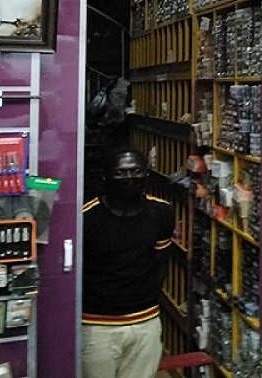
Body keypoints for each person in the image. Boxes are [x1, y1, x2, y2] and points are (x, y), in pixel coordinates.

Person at [81, 148, 174, 378]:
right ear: (106, 177)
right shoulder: (85, 218)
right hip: (96, 326)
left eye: (136, 171)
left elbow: (160, 263)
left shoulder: (162, 213)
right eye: (121, 172)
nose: (129, 178)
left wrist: (146, 299)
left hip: (145, 322)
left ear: (147, 175)